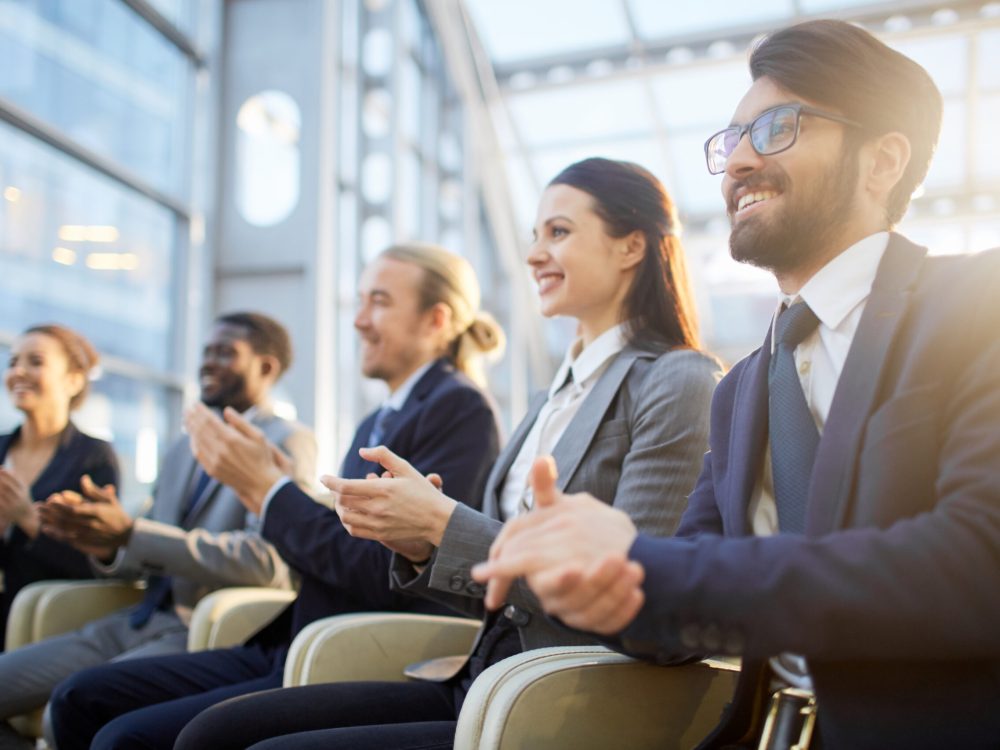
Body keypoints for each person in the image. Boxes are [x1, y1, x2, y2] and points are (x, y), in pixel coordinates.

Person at [472, 19, 1000, 750]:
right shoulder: (741, 388)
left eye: (778, 127)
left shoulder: (979, 303)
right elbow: (682, 602)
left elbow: (978, 563)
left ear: (882, 161)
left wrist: (643, 563)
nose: (739, 162)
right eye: (731, 139)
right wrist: (599, 586)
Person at [171, 157, 723, 750]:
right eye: (533, 236)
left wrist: (444, 523)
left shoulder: (677, 378)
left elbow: (639, 590)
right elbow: (489, 583)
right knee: (214, 733)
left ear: (630, 246)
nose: (535, 255)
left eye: (558, 233)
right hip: (482, 676)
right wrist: (420, 545)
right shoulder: (550, 398)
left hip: (557, 697)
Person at [47, 244, 504, 750]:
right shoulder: (379, 418)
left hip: (340, 648)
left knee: (123, 736)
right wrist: (281, 490)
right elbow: (348, 540)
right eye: (359, 301)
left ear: (435, 319)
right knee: (79, 697)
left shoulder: (459, 409)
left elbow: (386, 572)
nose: (358, 321)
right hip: (294, 637)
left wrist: (268, 489)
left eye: (378, 302)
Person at [0, 312, 315, 749]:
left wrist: (132, 534)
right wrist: (108, 541)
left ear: (266, 368)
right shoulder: (184, 445)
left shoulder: (287, 439)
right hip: (138, 616)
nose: (208, 362)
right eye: (206, 352)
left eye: (226, 353)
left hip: (203, 626)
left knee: (68, 708)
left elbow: (269, 563)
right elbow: (149, 542)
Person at [0, 325, 119, 648]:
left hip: (48, 620)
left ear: (74, 380)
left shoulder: (93, 457)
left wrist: (28, 519)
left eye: (35, 362)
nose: (18, 372)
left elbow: (96, 564)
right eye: (12, 362)